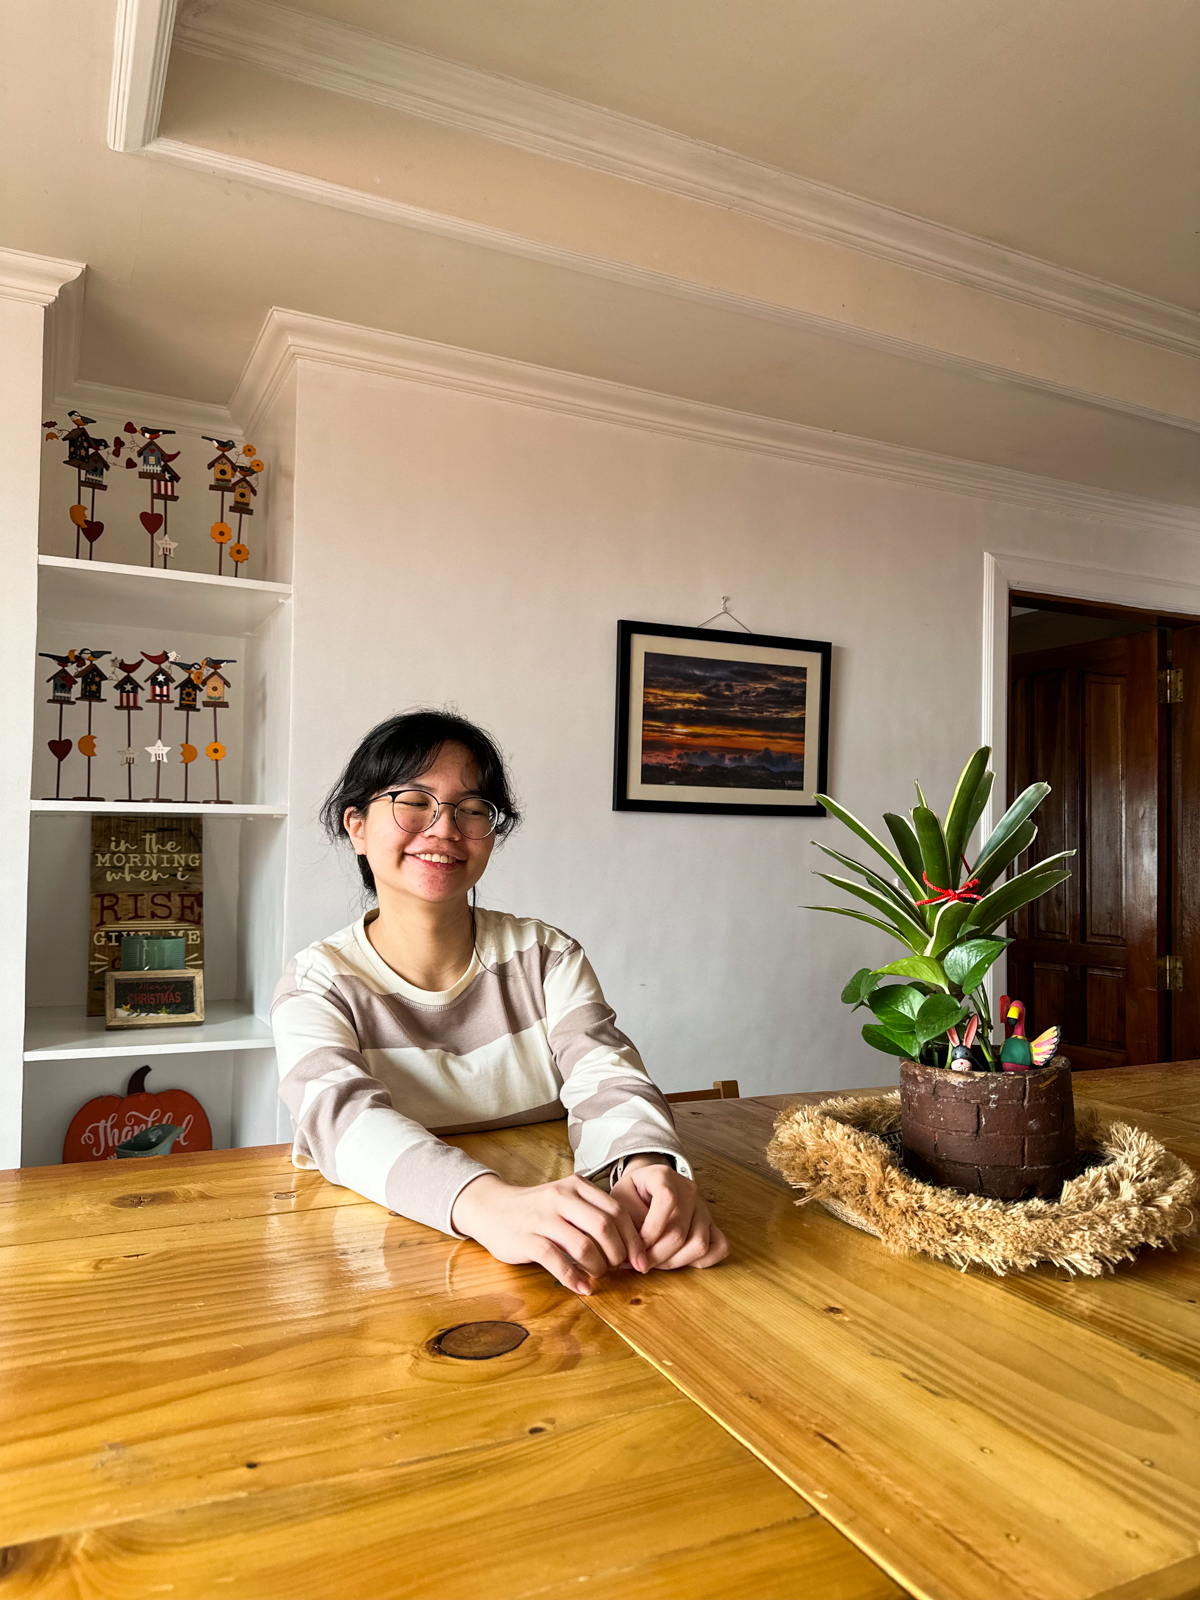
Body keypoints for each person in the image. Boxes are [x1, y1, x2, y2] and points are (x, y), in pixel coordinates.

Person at [272, 709, 728, 1293]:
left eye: (471, 808)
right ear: (357, 826)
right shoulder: (317, 982)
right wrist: (491, 1207)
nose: (443, 829)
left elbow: (605, 1074)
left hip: (575, 1248)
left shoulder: (545, 955)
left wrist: (647, 1167)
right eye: (413, 800)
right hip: (390, 1265)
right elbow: (342, 1123)